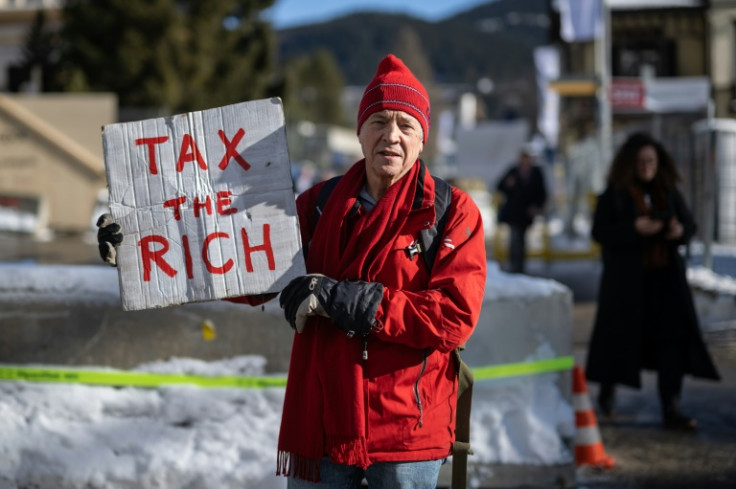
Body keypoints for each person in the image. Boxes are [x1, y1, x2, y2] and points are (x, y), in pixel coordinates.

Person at [98, 54, 487, 488]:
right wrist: (138, 245)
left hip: (406, 435)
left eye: (405, 124)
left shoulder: (452, 212)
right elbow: (241, 263)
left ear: (422, 138)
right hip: (321, 425)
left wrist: (342, 299)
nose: (391, 135)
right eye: (378, 121)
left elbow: (453, 317)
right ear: (360, 132)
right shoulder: (317, 205)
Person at [585, 132, 720, 430]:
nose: (647, 167)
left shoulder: (668, 191)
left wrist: (677, 231)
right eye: (641, 161)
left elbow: (689, 224)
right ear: (630, 164)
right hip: (626, 285)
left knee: (671, 344)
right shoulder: (614, 194)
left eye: (652, 161)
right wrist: (633, 228)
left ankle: (671, 408)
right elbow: (599, 232)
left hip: (665, 283)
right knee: (618, 342)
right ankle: (607, 393)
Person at [495, 145, 547, 273]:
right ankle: (514, 265)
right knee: (514, 239)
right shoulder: (513, 171)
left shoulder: (536, 173)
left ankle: (519, 266)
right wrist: (508, 184)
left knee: (521, 240)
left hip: (526, 214)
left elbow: (542, 192)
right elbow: (500, 186)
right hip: (513, 212)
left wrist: (537, 206)